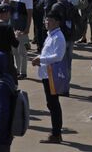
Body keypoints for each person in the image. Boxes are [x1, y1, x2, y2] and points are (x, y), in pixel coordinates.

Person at [31, 10, 66, 144]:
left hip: (52, 74)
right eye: (46, 20)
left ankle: (56, 133)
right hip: (47, 73)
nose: (46, 22)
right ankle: (56, 132)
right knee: (51, 103)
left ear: (57, 22)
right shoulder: (51, 35)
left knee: (53, 103)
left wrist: (41, 59)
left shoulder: (58, 37)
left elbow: (58, 56)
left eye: (50, 20)